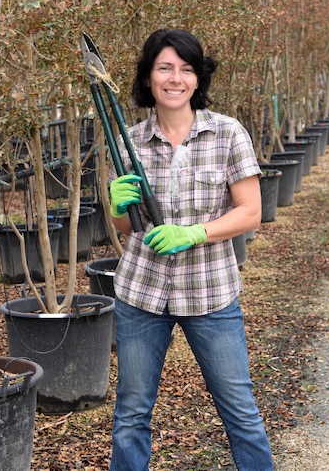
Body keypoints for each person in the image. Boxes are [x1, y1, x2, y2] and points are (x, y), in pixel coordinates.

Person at [108, 28, 273, 471]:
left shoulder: (227, 134)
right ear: (148, 78)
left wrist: (193, 233)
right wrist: (116, 205)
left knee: (240, 412)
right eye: (164, 68)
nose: (175, 78)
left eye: (186, 69)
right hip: (141, 295)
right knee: (130, 416)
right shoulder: (129, 143)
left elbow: (250, 212)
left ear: (198, 79)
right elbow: (126, 227)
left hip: (210, 294)